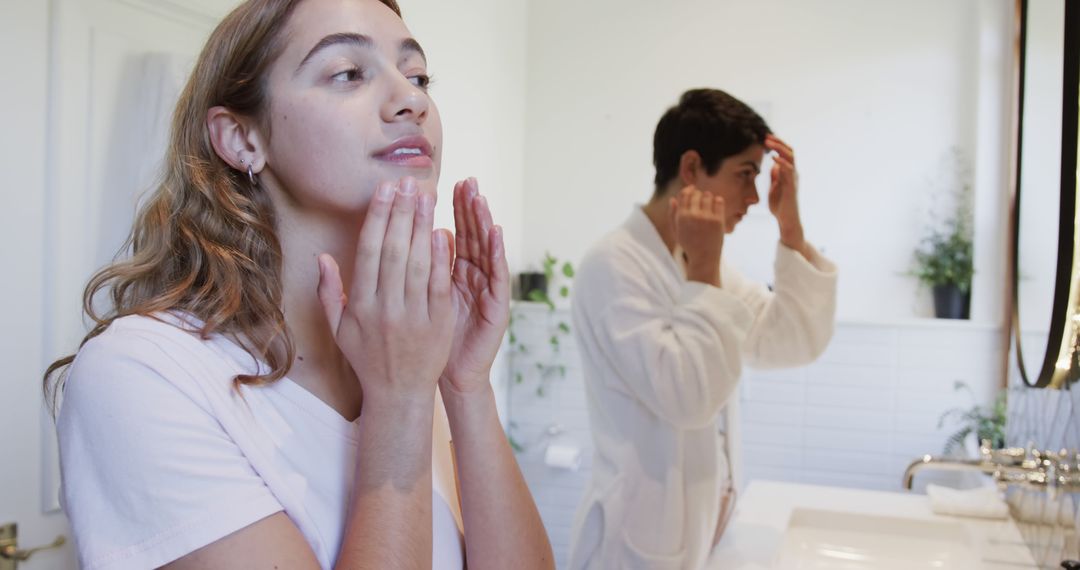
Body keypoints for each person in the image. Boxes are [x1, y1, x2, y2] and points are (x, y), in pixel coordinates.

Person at [44, 0, 553, 568]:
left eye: (418, 76)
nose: (412, 99)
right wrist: (401, 400)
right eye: (348, 73)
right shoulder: (143, 373)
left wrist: (463, 384)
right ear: (241, 139)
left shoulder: (402, 352)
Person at [566, 88, 838, 570]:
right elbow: (687, 397)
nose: (753, 198)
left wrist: (790, 229)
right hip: (634, 543)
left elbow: (789, 340)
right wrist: (706, 267)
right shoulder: (612, 266)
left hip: (698, 531)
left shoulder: (695, 264)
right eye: (744, 176)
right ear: (691, 169)